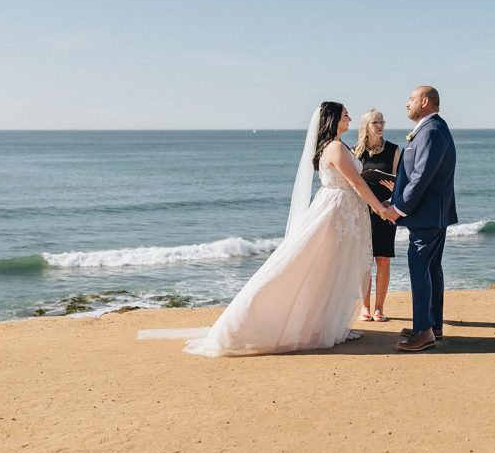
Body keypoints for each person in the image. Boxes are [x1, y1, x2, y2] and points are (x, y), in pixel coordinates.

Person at [140, 102, 391, 356]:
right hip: (336, 214)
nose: (349, 117)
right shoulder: (335, 147)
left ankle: (329, 326)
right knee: (318, 267)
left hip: (343, 211)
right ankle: (264, 321)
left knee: (332, 269)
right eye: (345, 114)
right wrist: (380, 209)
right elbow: (357, 183)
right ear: (333, 119)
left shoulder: (339, 145)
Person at [385, 86, 457, 353]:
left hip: (427, 214)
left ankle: (424, 332)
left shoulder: (432, 131)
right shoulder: (429, 129)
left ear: (425, 102)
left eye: (411, 99)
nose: (407, 104)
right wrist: (394, 200)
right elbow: (414, 173)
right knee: (430, 268)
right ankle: (431, 325)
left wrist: (399, 208)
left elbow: (422, 176)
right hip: (431, 213)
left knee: (420, 267)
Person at [352, 109, 401, 322]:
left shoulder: (394, 150)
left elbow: (402, 182)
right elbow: (350, 182)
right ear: (366, 126)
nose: (380, 126)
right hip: (362, 211)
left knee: (383, 259)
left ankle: (379, 308)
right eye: (375, 122)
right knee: (364, 261)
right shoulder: (355, 152)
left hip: (385, 209)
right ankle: (365, 306)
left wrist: (392, 195)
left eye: (382, 122)